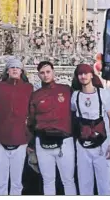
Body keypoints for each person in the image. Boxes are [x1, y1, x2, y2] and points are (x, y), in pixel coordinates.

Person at [27, 61, 76, 196]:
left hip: (65, 140)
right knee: (48, 180)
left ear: (53, 72)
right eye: (42, 73)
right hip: (42, 141)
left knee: (68, 180)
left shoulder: (66, 90)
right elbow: (31, 120)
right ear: (38, 75)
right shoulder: (36, 95)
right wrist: (30, 142)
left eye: (48, 72)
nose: (45, 75)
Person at [71, 63, 110, 195]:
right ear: (77, 77)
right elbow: (73, 114)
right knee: (84, 183)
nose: (83, 76)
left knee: (104, 183)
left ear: (91, 75)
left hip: (102, 143)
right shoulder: (75, 96)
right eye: (80, 73)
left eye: (86, 73)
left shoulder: (103, 94)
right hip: (82, 144)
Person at [0, 58, 33, 195]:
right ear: (7, 70)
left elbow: (32, 112)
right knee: (0, 180)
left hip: (20, 137)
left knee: (17, 180)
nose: (15, 69)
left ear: (22, 71)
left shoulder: (28, 88)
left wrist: (28, 136)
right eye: (12, 67)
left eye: (17, 67)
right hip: (0, 137)